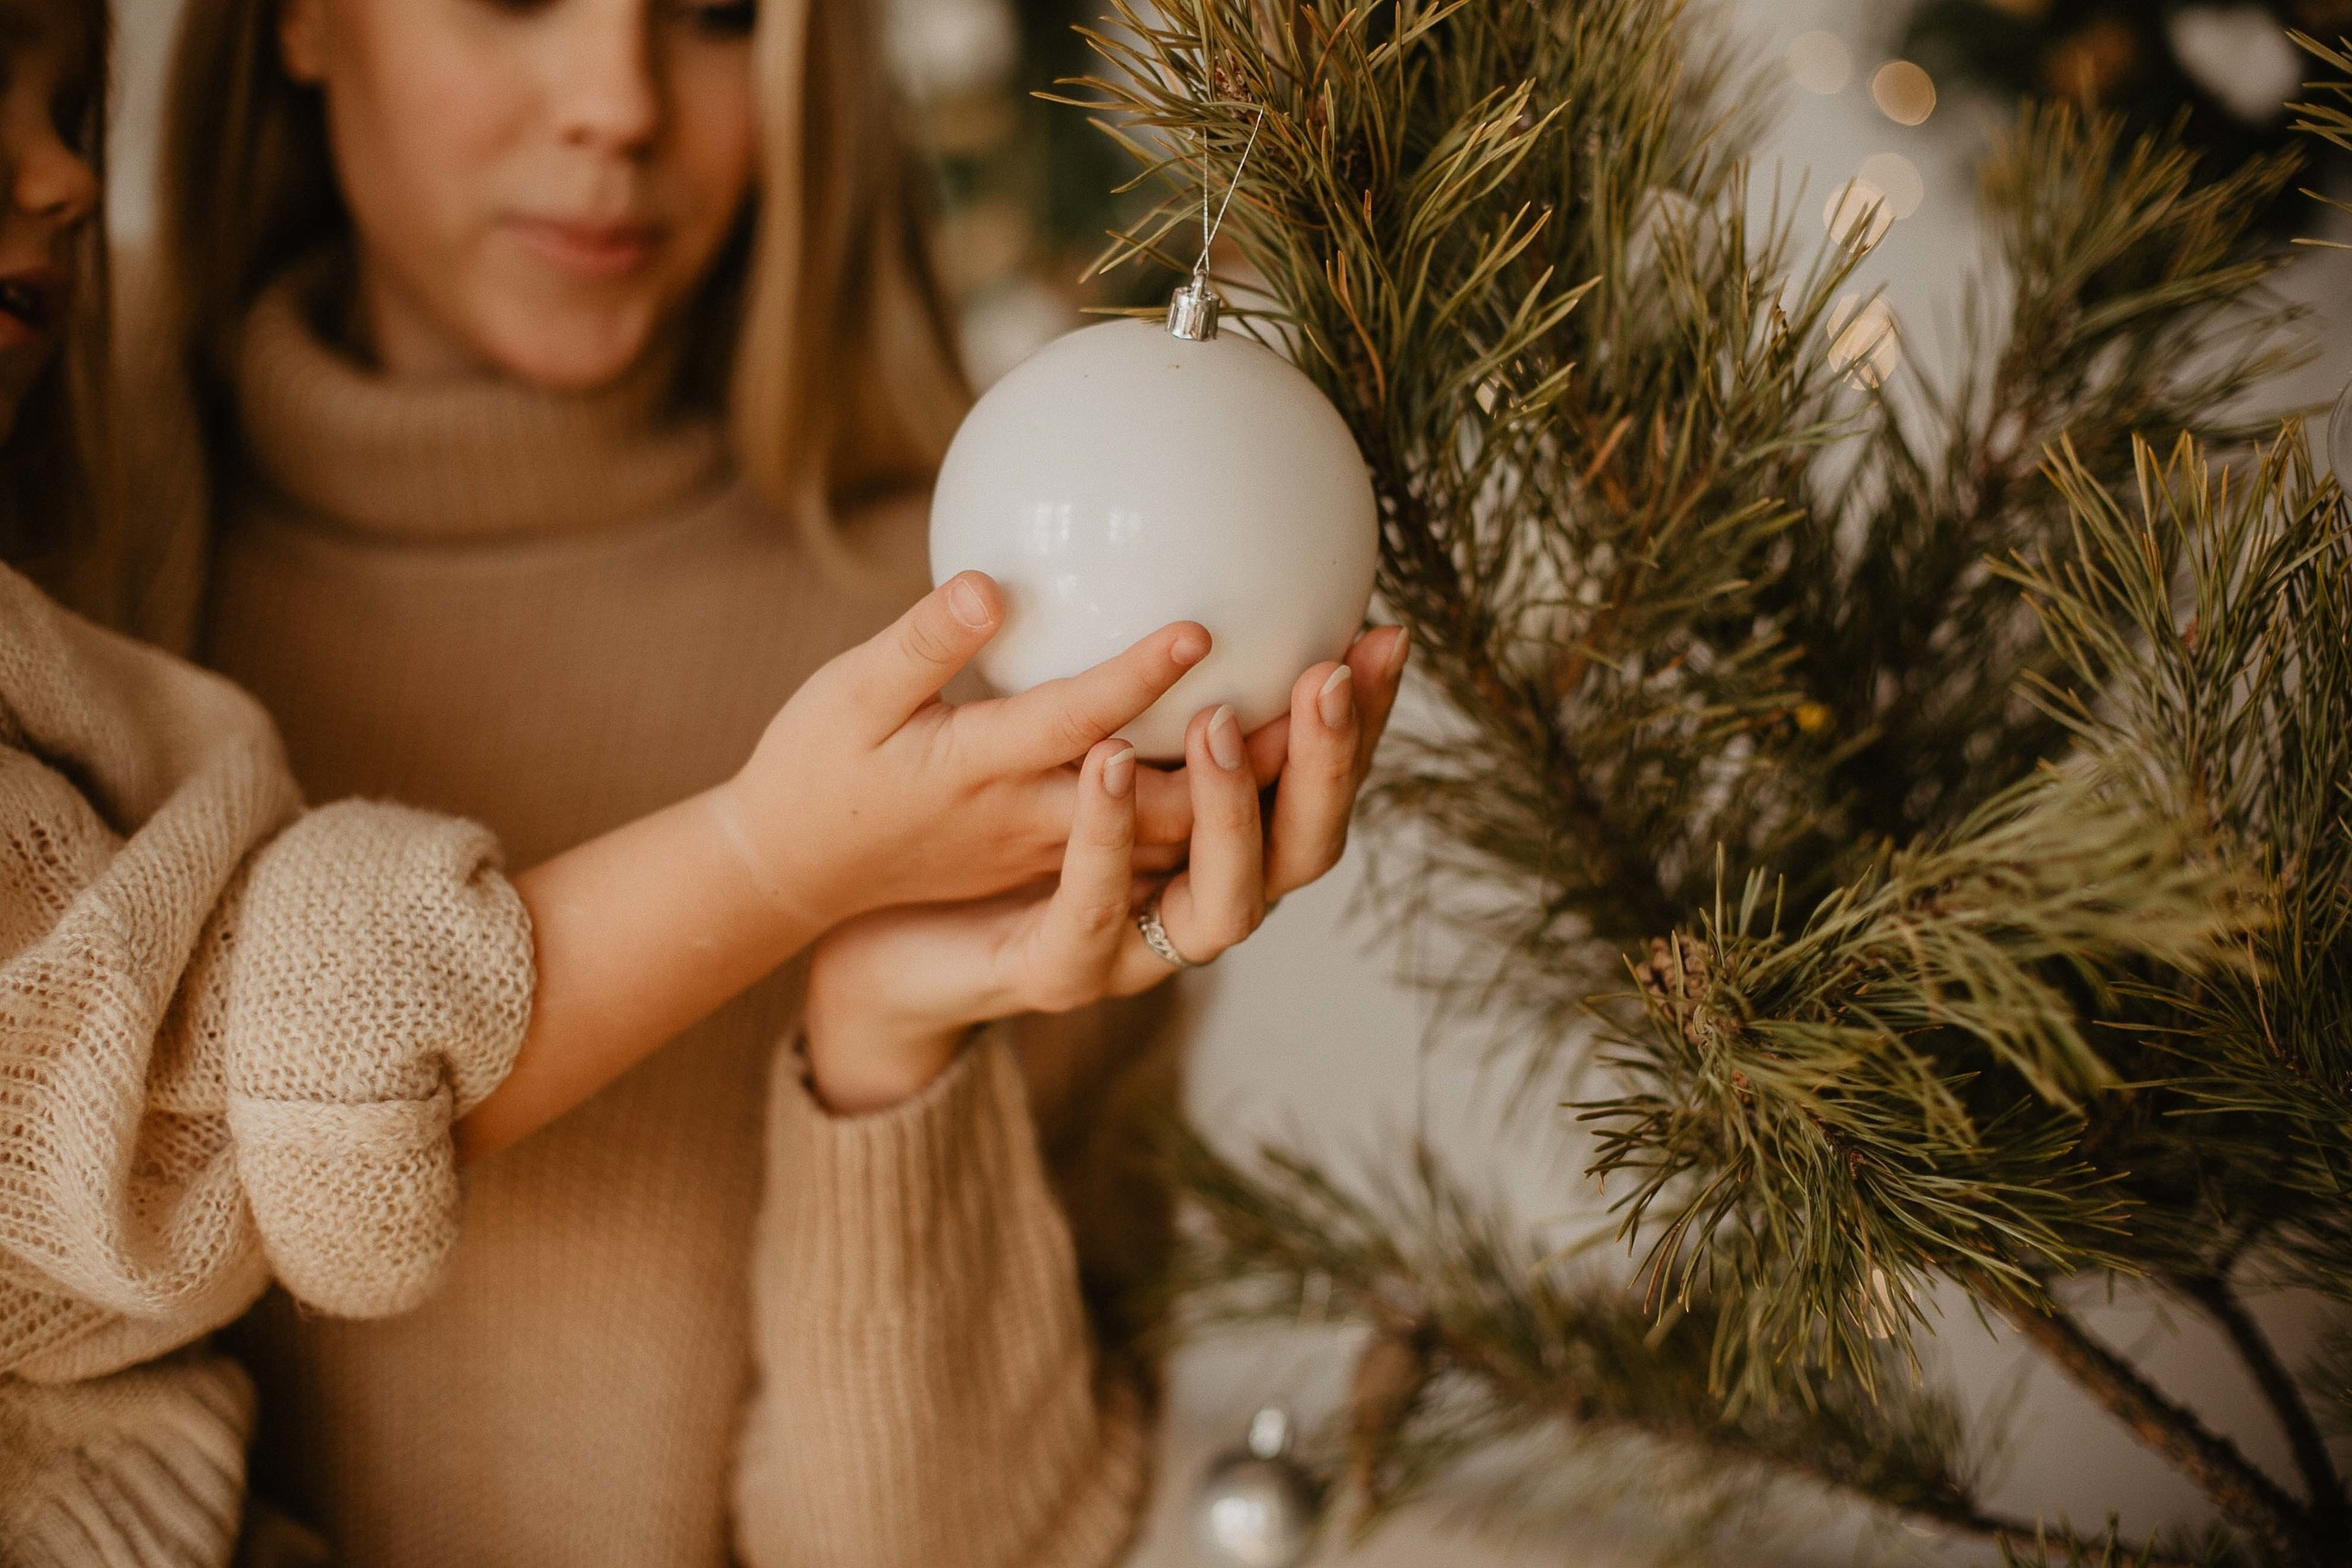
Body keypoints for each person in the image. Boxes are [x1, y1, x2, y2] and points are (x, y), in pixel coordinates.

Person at [0, 0, 1385, 1560]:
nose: (620, 105)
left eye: (721, 16)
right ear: (304, 22)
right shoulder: (60, 557)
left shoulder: (991, 682)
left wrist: (886, 1048)